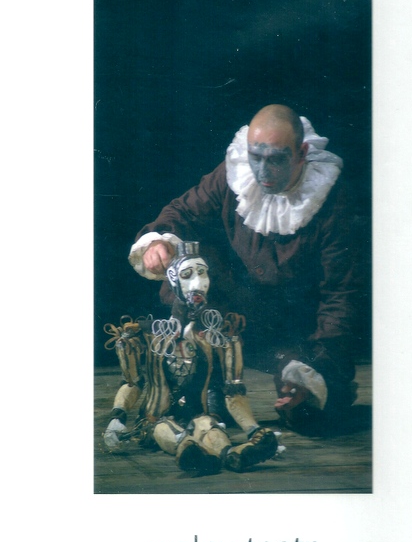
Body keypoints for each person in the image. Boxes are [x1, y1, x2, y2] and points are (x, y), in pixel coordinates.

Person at [128, 105, 359, 435]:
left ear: (301, 153)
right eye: (256, 157)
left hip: (300, 329)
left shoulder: (331, 198)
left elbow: (341, 295)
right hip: (237, 314)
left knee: (311, 414)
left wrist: (321, 365)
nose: (263, 171)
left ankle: (306, 383)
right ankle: (207, 382)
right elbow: (182, 212)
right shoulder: (234, 173)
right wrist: (158, 242)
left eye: (276, 159)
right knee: (189, 269)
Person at [103, 240, 280, 475]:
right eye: (187, 275)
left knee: (208, 426)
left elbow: (233, 391)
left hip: (198, 414)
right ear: (173, 280)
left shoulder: (219, 335)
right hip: (155, 419)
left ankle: (232, 455)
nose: (198, 282)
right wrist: (118, 416)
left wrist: (253, 430)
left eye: (202, 273)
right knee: (164, 427)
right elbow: (132, 382)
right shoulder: (149, 334)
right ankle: (188, 450)